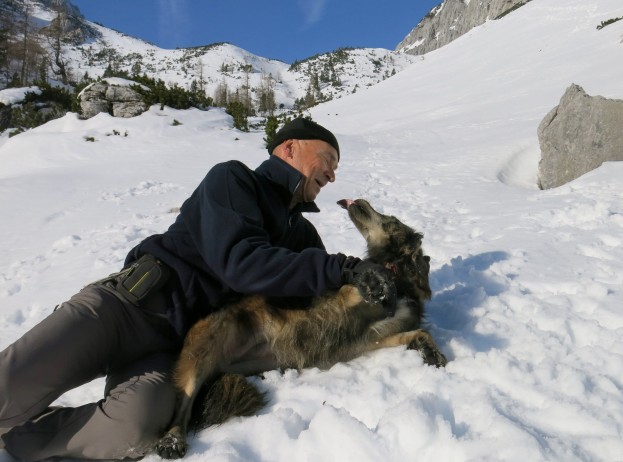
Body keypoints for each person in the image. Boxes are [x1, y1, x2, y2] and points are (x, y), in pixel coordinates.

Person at [0, 117, 393, 460]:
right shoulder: (234, 180)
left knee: (133, 428)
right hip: (124, 309)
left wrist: (381, 276)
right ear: (289, 147)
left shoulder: (301, 233)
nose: (333, 175)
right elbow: (241, 262)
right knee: (9, 387)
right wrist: (341, 268)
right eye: (328, 160)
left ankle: (17, 441)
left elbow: (321, 298)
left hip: (170, 351)